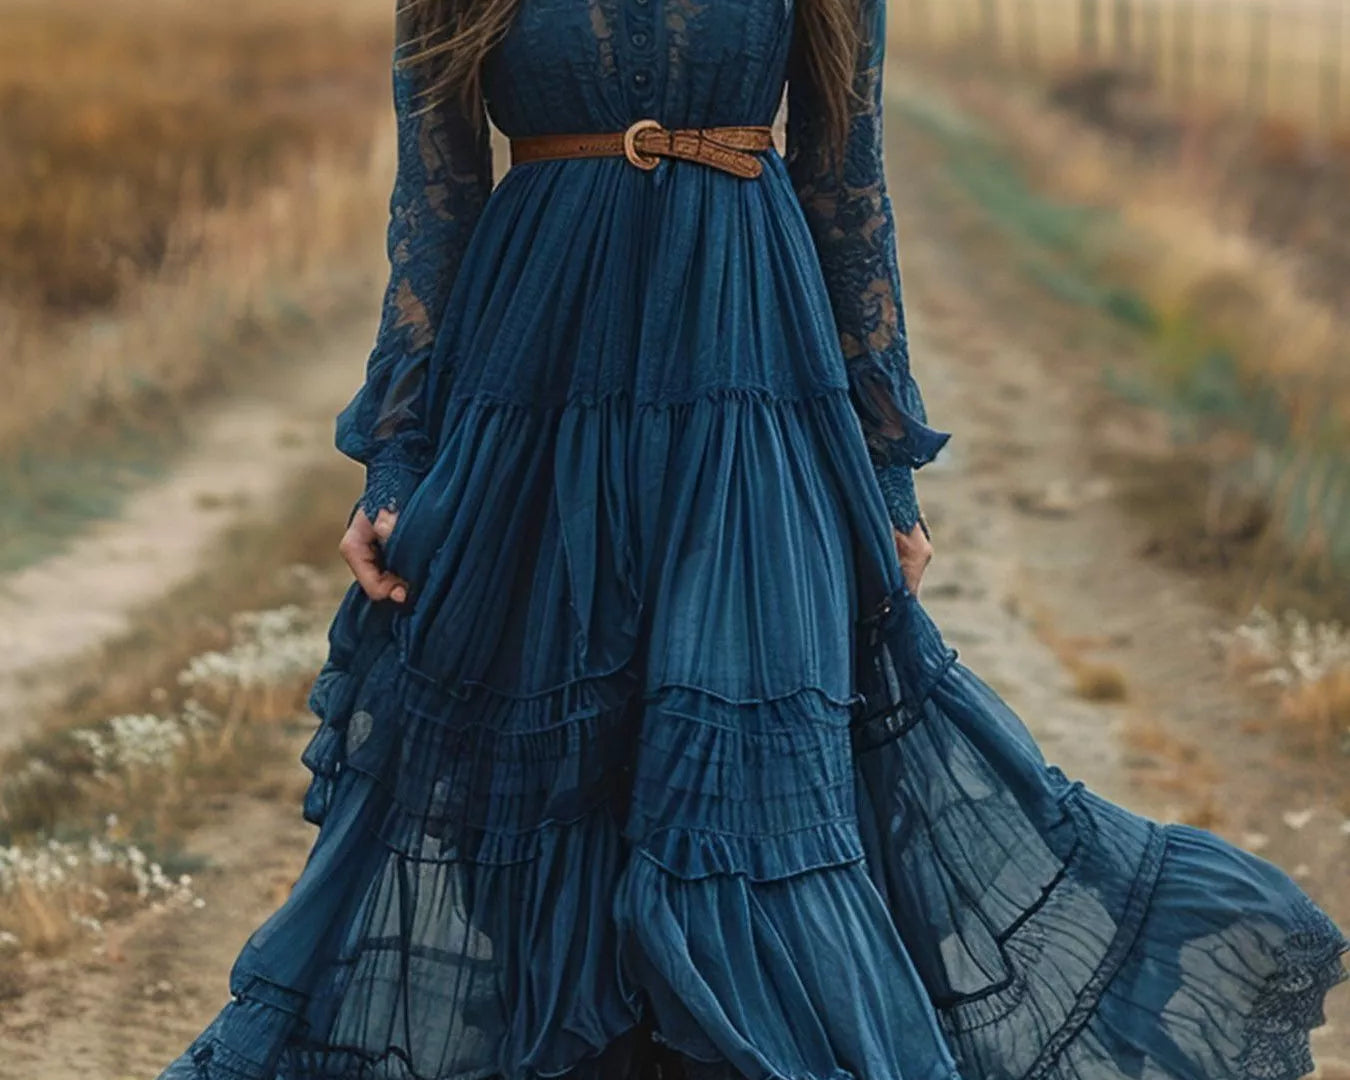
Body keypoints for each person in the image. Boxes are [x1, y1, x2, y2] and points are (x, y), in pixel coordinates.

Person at [157, 0, 1347, 1077]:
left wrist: (883, 465)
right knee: (532, 787)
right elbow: (434, 199)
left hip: (750, 376)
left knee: (754, 798)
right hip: (536, 386)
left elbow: (848, 185)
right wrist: (400, 458)